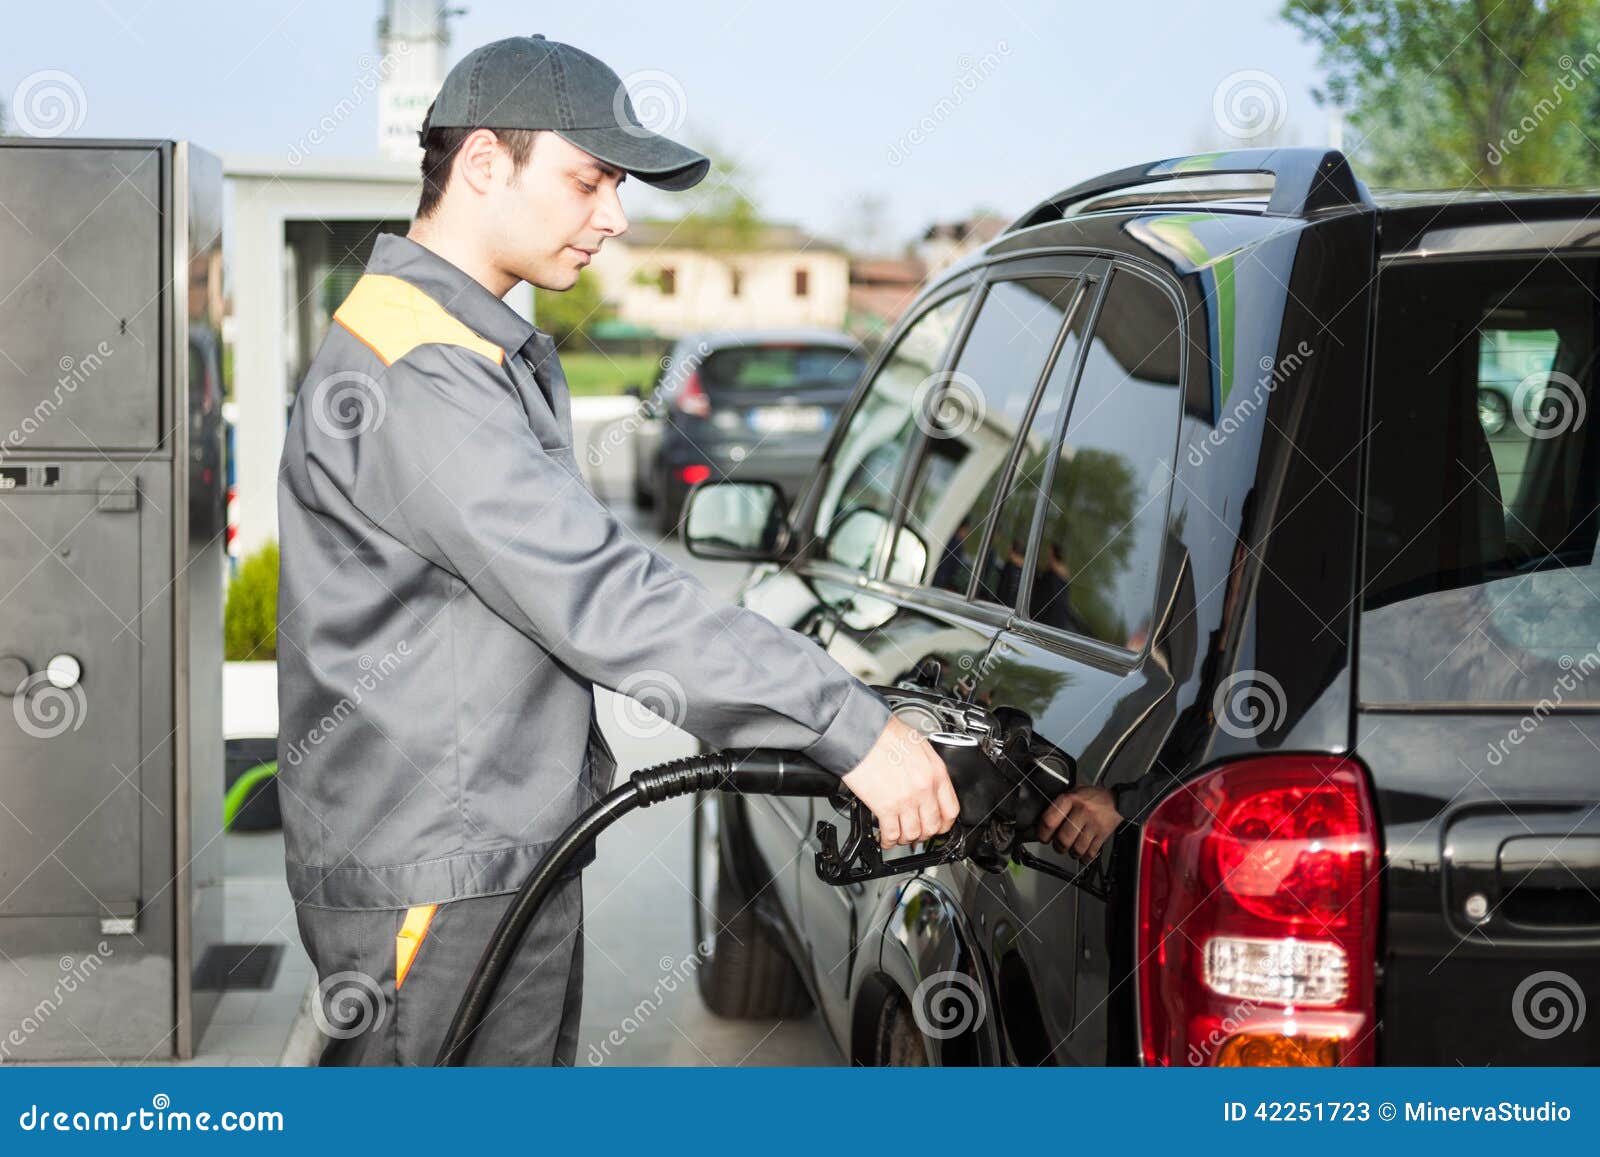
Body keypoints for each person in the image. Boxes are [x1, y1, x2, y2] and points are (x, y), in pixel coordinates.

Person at [275, 34, 958, 1066]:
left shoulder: (463, 346)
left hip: (482, 854)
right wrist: (845, 724)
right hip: (438, 872)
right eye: (589, 179)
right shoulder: (417, 369)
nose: (616, 215)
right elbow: (602, 595)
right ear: (482, 165)